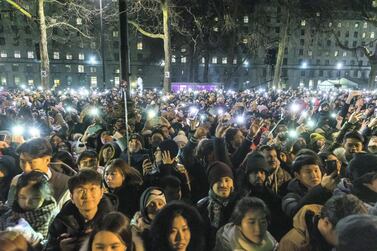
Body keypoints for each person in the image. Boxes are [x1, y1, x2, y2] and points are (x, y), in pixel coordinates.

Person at [45, 169, 117, 251]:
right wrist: (60, 248)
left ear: (101, 193)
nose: (87, 195)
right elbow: (47, 248)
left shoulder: (113, 221)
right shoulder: (61, 221)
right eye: (81, 190)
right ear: (71, 197)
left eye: (92, 189)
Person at [278, 194, 368, 251]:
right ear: (326, 223)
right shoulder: (292, 244)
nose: (350, 242)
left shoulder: (332, 215)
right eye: (345, 236)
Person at [7, 138, 70, 209]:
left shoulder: (65, 184)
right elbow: (10, 209)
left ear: (47, 160)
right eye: (22, 161)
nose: (26, 168)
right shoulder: (17, 180)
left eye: (31, 162)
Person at [0, 171, 58, 247]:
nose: (27, 203)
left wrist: (34, 239)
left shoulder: (54, 217)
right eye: (22, 197)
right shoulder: (10, 213)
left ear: (45, 197)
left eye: (35, 198)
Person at [197, 161, 236, 249]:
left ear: (232, 183)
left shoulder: (240, 206)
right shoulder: (201, 207)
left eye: (227, 180)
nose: (223, 185)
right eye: (218, 180)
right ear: (211, 184)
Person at [214, 197, 278, 251]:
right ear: (239, 224)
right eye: (251, 222)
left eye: (263, 222)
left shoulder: (272, 243)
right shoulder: (227, 243)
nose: (258, 229)